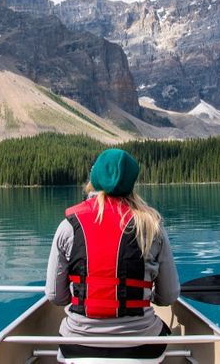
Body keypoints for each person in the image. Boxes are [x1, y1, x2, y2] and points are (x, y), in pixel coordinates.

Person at [45, 148, 180, 360]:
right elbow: (169, 297)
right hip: (142, 347)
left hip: (78, 345)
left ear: (94, 179)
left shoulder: (68, 226)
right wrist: (147, 296)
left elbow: (56, 297)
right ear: (131, 183)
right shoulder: (152, 227)